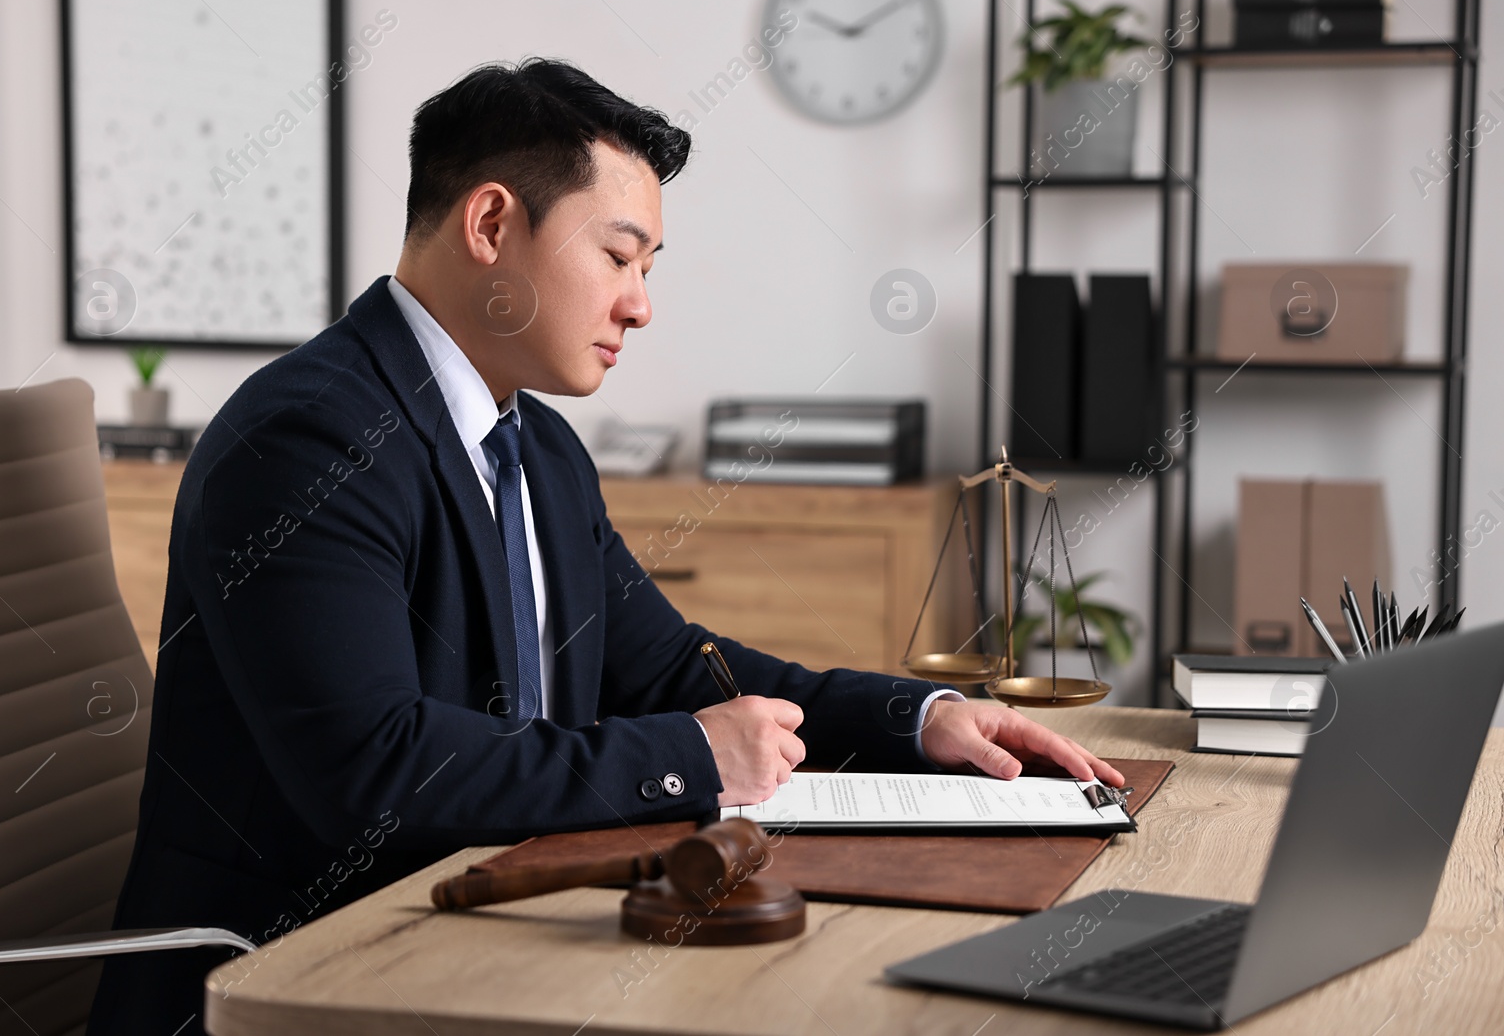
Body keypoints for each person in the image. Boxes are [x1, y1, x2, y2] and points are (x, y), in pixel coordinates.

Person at [87, 58, 1124, 1034]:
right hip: (293, 973)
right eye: (618, 255)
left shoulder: (535, 444)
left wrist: (920, 715)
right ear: (491, 222)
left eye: (647, 264)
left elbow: (669, 669)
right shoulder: (309, 436)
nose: (639, 300)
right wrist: (692, 752)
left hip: (484, 922)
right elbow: (372, 771)